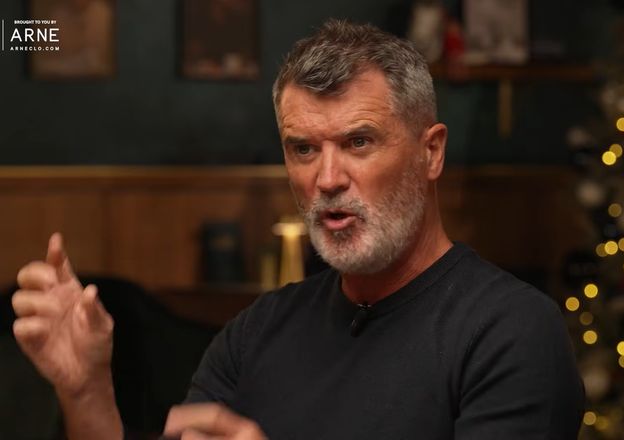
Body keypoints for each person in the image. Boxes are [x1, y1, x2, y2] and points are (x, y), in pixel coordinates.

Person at [12, 20, 584, 439]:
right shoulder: (257, 331)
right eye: (303, 149)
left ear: (430, 152)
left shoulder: (510, 331)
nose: (327, 179)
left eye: (358, 142)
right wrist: (87, 394)